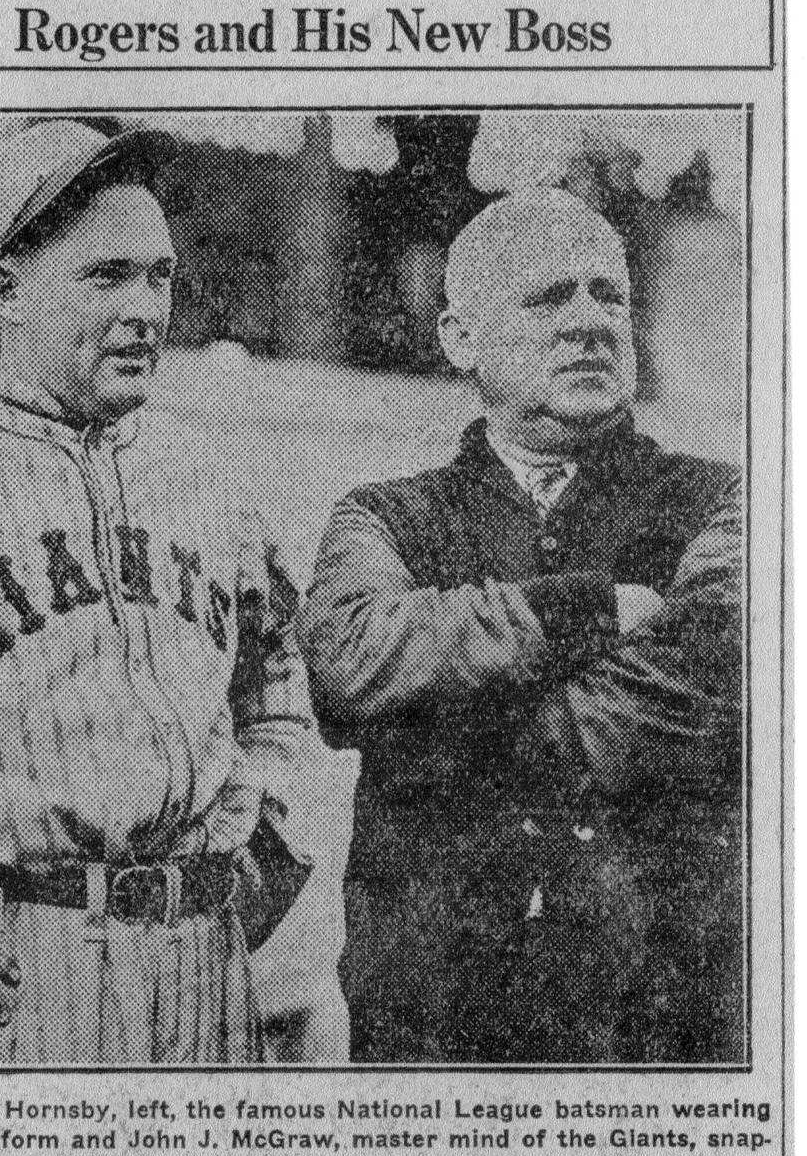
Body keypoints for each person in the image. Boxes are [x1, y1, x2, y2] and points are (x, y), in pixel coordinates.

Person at [0, 118, 341, 1065]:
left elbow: (277, 681)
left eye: (159, 276)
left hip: (201, 958)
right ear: (7, 293)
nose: (146, 310)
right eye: (107, 276)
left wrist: (259, 810)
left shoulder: (202, 469)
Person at [297, 187, 742, 1066]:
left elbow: (711, 677)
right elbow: (351, 662)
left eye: (607, 294)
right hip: (431, 1029)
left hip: (656, 1030)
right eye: (548, 298)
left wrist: (434, 727)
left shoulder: (727, 500)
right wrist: (592, 610)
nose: (589, 322)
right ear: (461, 338)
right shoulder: (384, 516)